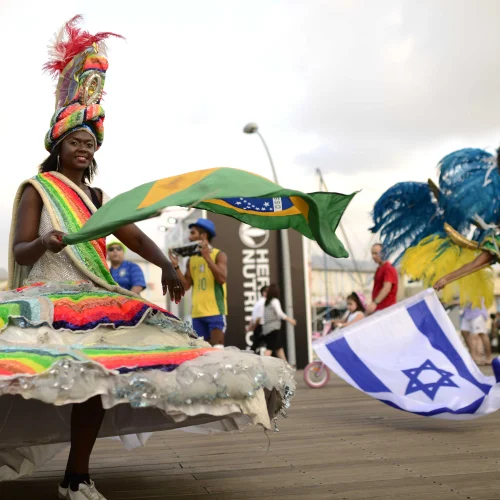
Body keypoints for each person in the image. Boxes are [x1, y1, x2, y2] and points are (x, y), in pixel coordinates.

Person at [0, 16, 295, 498]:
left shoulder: (95, 197)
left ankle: (77, 477)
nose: (83, 149)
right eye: (76, 142)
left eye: (90, 144)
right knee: (25, 376)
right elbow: (20, 248)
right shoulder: (39, 189)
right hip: (48, 300)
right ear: (58, 146)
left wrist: (165, 264)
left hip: (95, 299)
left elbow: (132, 235)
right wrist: (45, 245)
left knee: (96, 382)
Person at [169, 218, 228, 347]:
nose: (189, 237)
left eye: (193, 233)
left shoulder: (219, 255)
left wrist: (207, 257)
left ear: (204, 235)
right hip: (197, 313)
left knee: (218, 350)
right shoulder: (191, 260)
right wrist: (176, 266)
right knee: (203, 354)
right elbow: (186, 286)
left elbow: (222, 279)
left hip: (215, 311)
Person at [260, 284, 296, 362]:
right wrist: (290, 320)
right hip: (273, 328)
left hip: (267, 329)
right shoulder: (275, 301)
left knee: (279, 348)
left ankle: (286, 366)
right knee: (269, 349)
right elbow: (280, 313)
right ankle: (260, 366)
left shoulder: (267, 303)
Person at [366, 243, 398, 315]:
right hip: (379, 308)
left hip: (386, 309)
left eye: (375, 253)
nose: (373, 256)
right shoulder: (379, 269)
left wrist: (374, 303)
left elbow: (387, 288)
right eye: (372, 254)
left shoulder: (388, 268)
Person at [459, 301, 492, 365]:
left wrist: (455, 302)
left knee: (481, 334)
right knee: (464, 332)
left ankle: (488, 358)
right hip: (467, 314)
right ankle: (473, 356)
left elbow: (470, 299)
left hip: (477, 313)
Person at [246, 285, 268, 353]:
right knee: (271, 346)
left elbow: (253, 317)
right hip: (262, 327)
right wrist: (254, 326)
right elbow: (258, 317)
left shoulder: (258, 302)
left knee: (255, 346)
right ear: (264, 293)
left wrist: (250, 327)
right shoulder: (263, 302)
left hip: (259, 327)